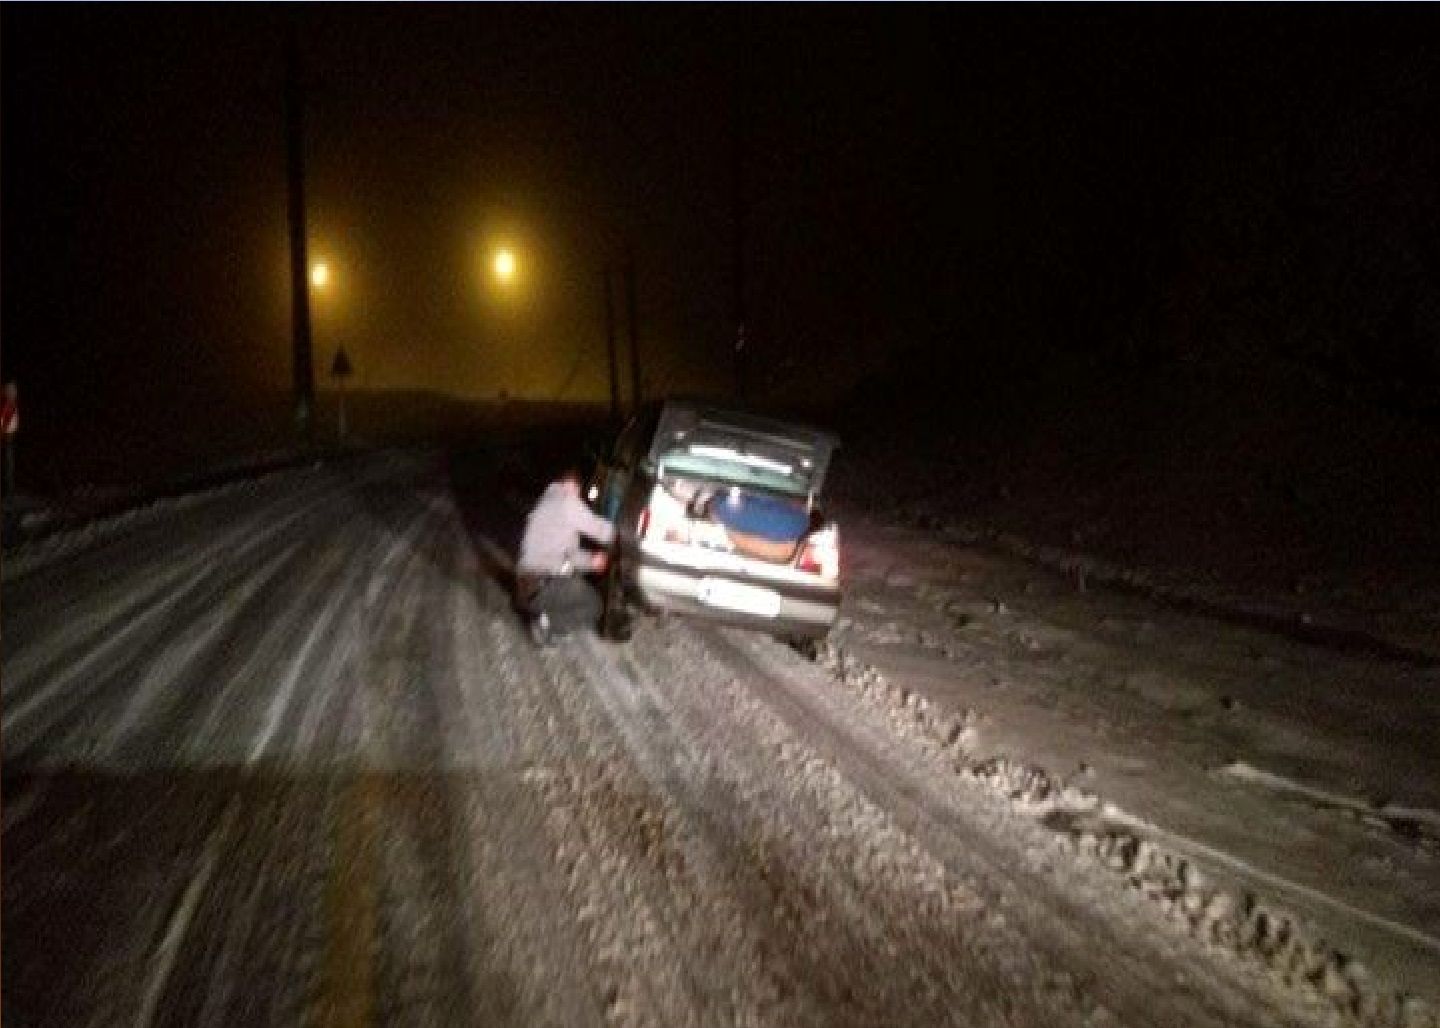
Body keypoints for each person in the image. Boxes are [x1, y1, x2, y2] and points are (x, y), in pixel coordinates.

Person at [515, 468, 616, 644]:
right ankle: (545, 624)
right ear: (572, 486)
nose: (579, 499)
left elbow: (568, 553)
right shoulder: (566, 502)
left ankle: (543, 613)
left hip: (526, 585)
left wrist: (591, 562)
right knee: (594, 605)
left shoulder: (547, 501)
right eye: (578, 493)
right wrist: (619, 535)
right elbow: (599, 528)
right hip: (540, 584)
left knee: (574, 576)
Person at [1, 382, 17, 496]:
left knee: (9, 464)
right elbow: (4, 422)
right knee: (8, 464)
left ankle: (8, 490)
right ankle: (8, 491)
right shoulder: (7, 405)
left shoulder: (11, 404)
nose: (14, 393)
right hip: (6, 437)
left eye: (14, 390)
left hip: (9, 437)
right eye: (11, 390)